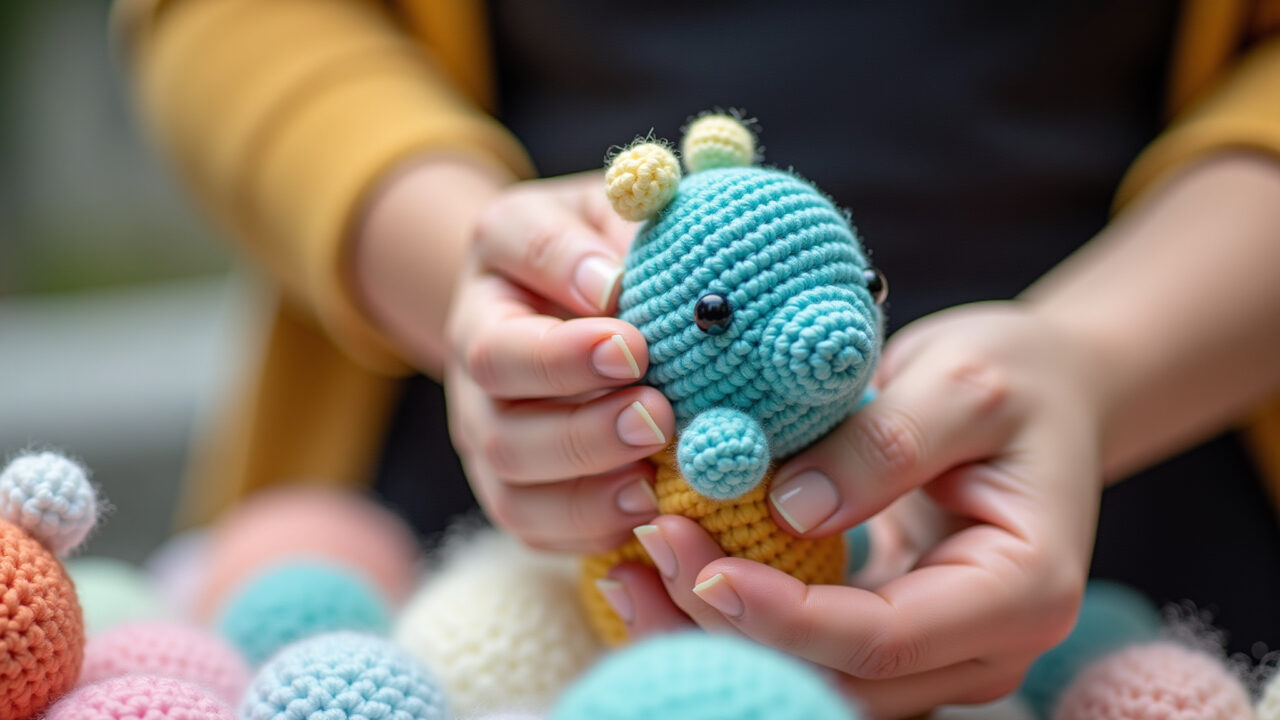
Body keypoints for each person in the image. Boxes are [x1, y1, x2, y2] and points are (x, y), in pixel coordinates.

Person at [116, 2, 1280, 716]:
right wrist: (460, 275)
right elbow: (227, 15)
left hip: (1158, 495)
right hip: (481, 519)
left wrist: (1097, 362)